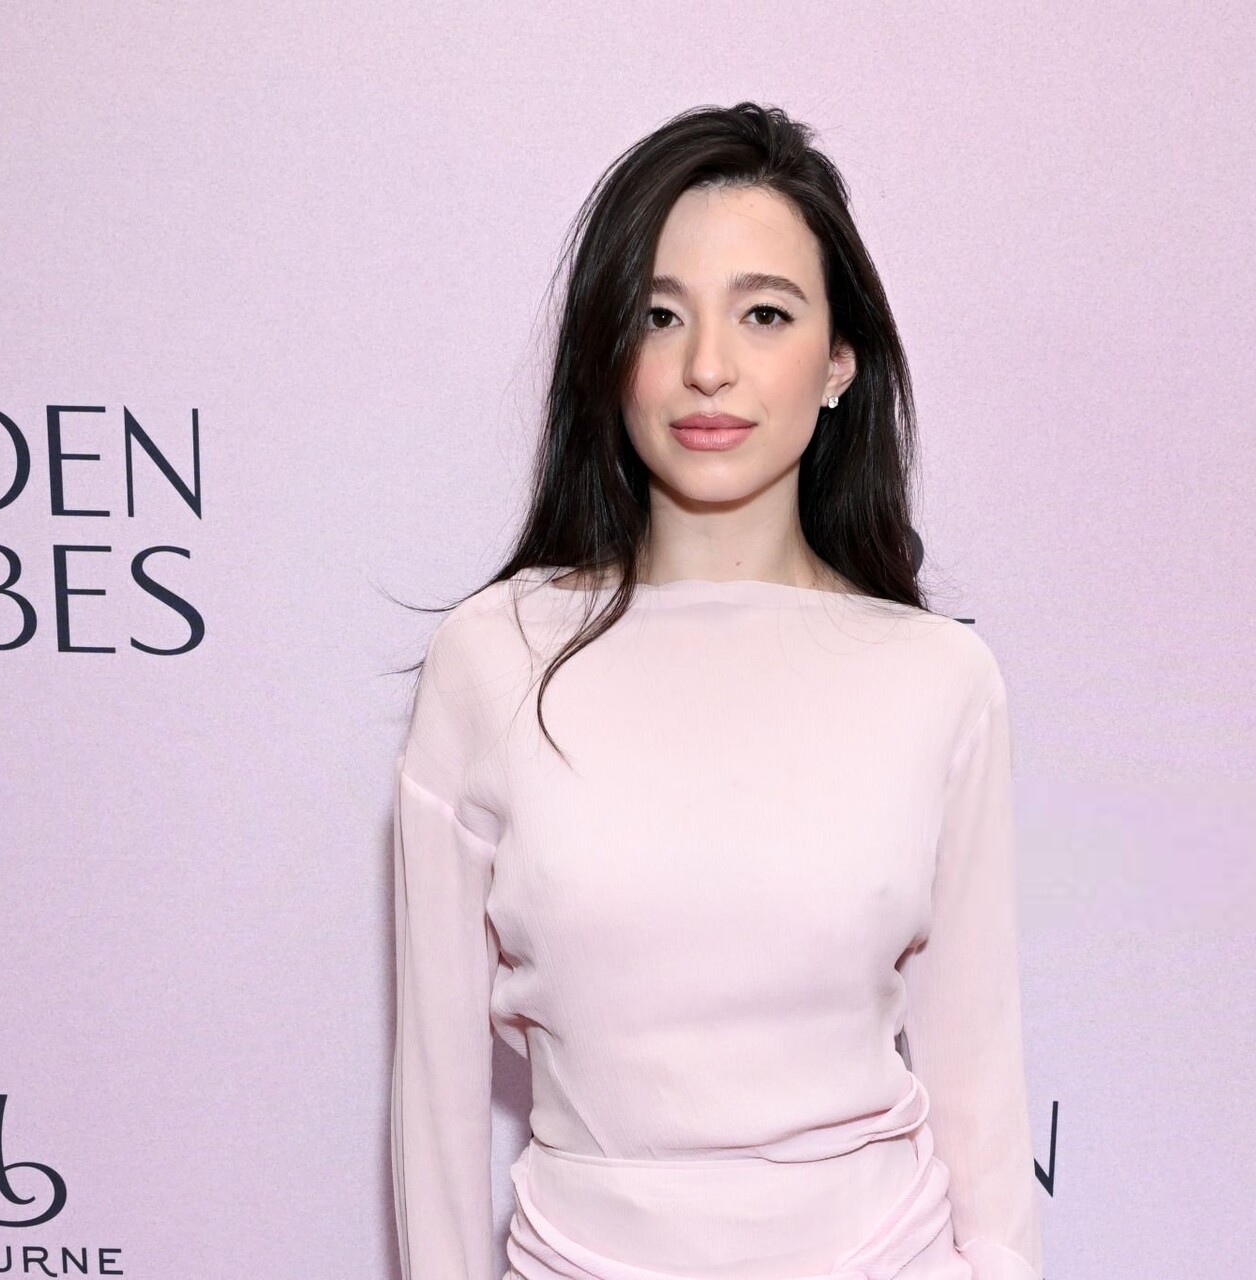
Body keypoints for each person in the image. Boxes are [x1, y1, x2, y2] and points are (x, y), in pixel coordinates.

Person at [390, 102, 1044, 1280]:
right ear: (608, 354)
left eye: (765, 313)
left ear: (840, 361)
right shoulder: (495, 656)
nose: (707, 366)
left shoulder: (938, 677)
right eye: (659, 313)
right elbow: (434, 1099)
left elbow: (979, 1083)